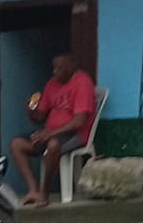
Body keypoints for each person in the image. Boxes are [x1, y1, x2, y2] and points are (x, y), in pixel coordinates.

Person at [10, 52, 97, 208]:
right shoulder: (51, 84)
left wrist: (51, 133)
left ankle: (44, 192)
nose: (55, 72)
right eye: (54, 68)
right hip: (51, 133)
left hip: (76, 135)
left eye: (60, 68)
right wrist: (31, 110)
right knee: (17, 144)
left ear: (72, 66)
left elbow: (79, 121)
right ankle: (33, 190)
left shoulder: (82, 82)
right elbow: (40, 117)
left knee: (53, 145)